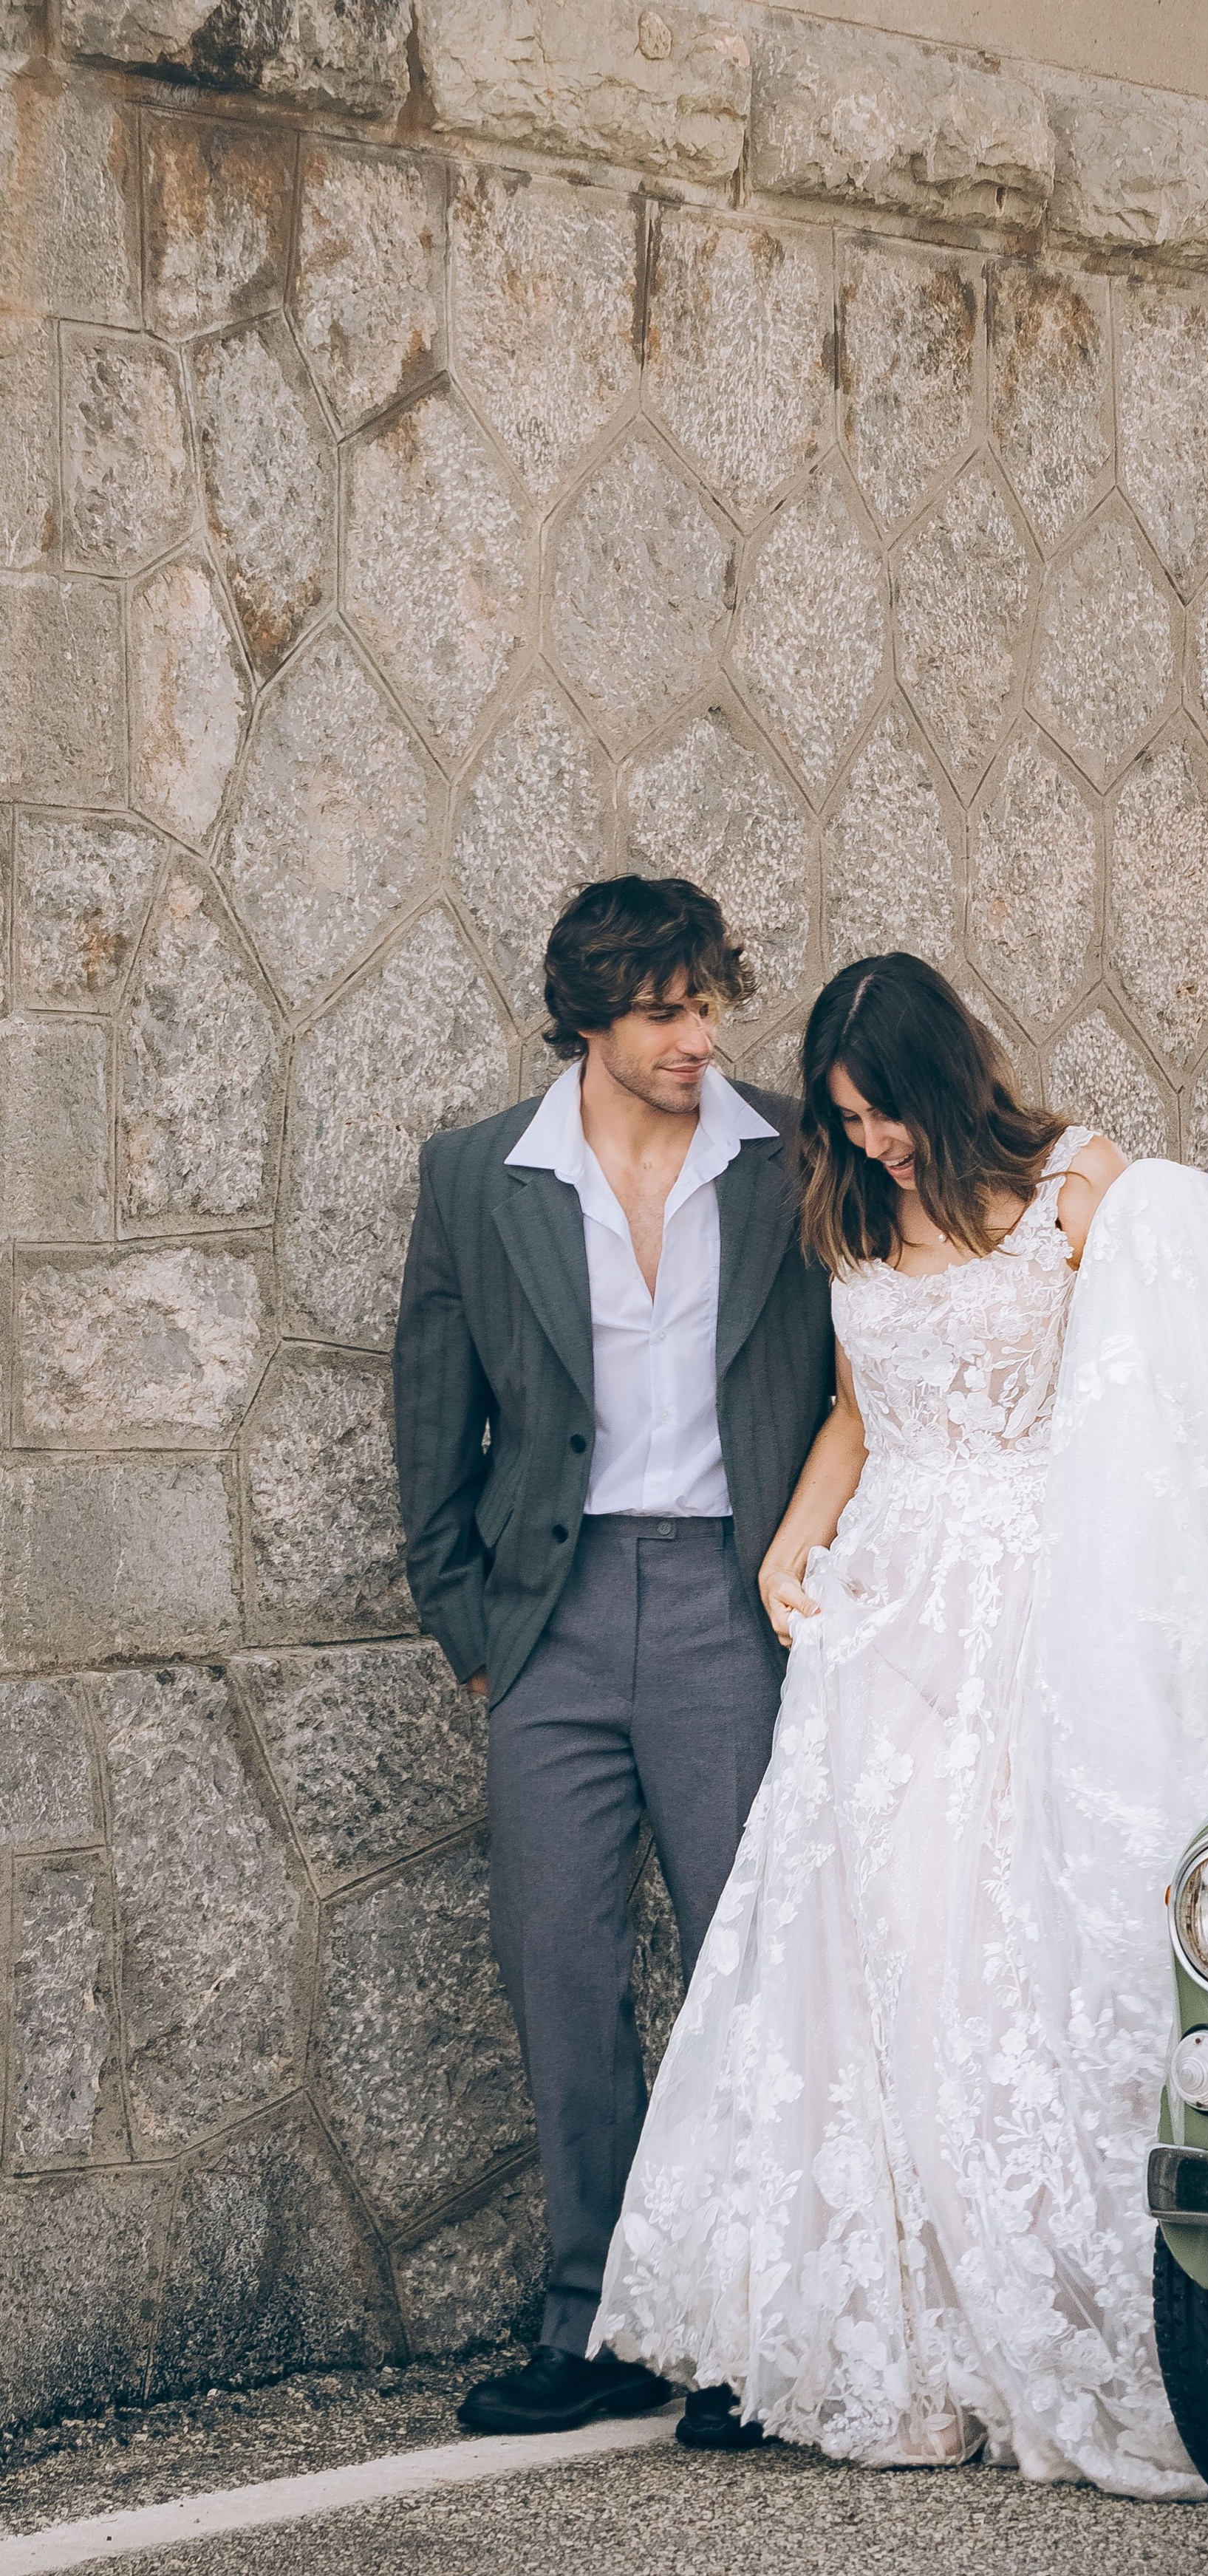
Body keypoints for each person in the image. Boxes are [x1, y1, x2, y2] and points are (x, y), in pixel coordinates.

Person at [588, 954, 1208, 2490]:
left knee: (1010, 1951)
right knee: (879, 1963)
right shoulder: (855, 1215)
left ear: (945, 1082)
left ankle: (1048, 2320)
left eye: (882, 1113)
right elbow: (856, 1415)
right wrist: (790, 1546)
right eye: (843, 1119)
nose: (868, 1142)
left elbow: (1172, 1406)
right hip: (889, 1622)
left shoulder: (1087, 1189)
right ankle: (910, 2356)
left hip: (1043, 1605)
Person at [392, 875, 833, 2438]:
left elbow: (872, 1371)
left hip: (732, 1604)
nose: (695, 1038)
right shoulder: (476, 1177)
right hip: (555, 1622)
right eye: (662, 1010)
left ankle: (744, 2339)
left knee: (744, 1974)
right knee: (561, 1972)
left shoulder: (791, 1157)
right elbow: (431, 1419)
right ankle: (596, 2321)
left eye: (710, 1004)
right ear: (585, 1012)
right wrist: (473, 1638)